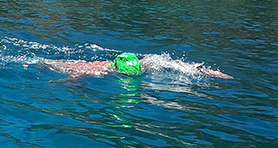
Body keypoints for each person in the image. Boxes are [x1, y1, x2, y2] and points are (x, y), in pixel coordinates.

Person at [44, 52, 233, 79]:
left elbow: (174, 64)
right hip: (56, 64)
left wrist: (207, 72)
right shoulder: (99, 70)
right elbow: (76, 75)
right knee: (44, 64)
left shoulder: (145, 64)